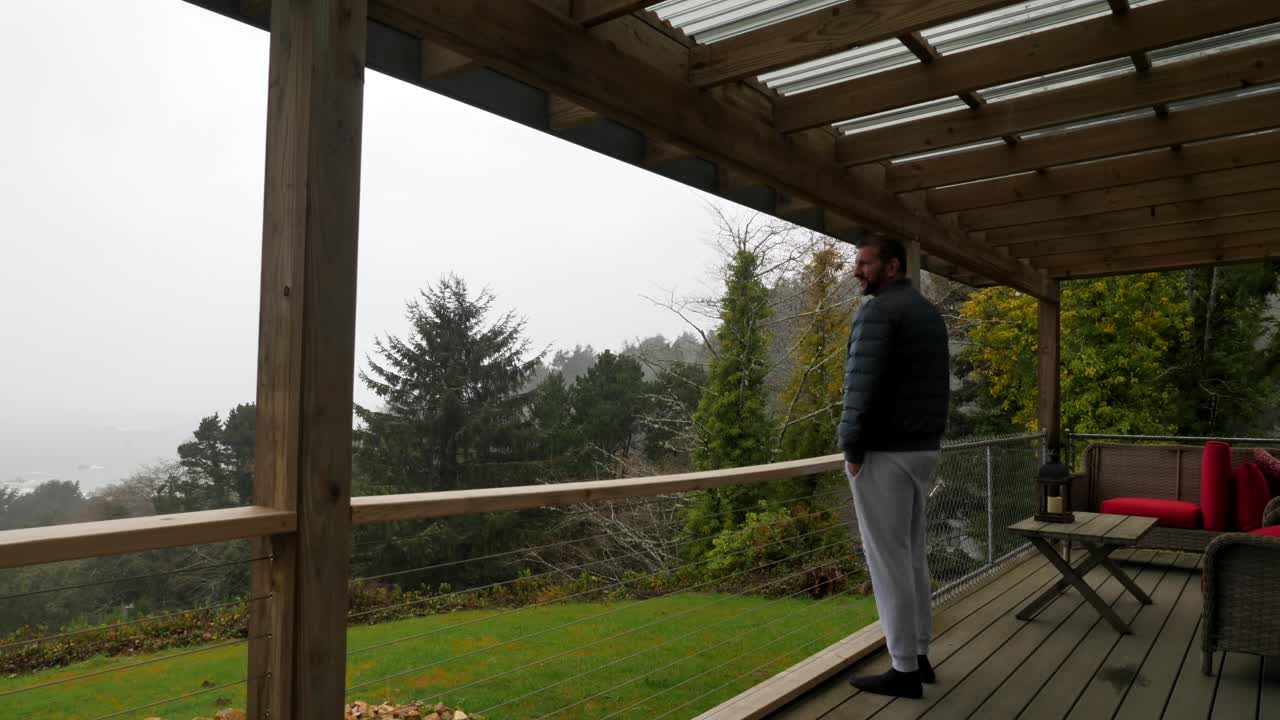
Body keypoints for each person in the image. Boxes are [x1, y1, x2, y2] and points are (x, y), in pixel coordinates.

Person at [837, 235, 950, 699]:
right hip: (922, 450)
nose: (857, 271)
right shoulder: (927, 313)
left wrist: (852, 448)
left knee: (887, 563)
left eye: (865, 263)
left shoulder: (878, 312)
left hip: (885, 453)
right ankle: (920, 655)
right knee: (911, 554)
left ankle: (902, 668)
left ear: (892, 266)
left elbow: (861, 388)